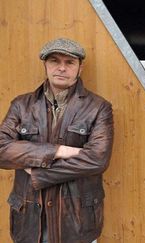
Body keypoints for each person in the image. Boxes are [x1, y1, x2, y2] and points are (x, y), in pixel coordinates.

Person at [0, 38, 114, 243]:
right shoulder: (21, 105)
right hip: (28, 220)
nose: (62, 68)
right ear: (45, 64)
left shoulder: (99, 107)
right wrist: (58, 150)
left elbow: (97, 160)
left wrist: (40, 173)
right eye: (54, 61)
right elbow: (1, 150)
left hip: (77, 222)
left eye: (69, 62)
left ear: (80, 67)